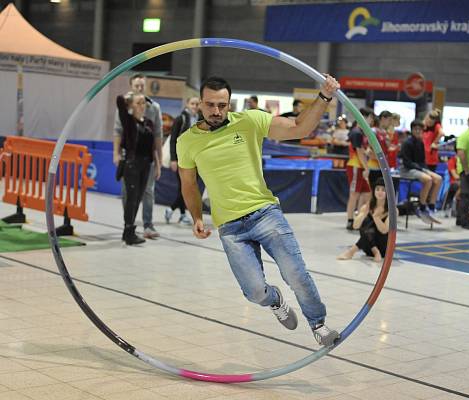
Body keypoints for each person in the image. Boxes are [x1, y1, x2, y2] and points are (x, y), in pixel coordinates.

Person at [177, 75, 341, 347]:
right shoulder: (187, 141)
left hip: (264, 213)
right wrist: (196, 217)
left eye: (222, 104)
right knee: (254, 292)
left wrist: (324, 96)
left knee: (296, 273)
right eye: (210, 105)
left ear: (230, 103)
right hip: (230, 228)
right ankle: (274, 300)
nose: (216, 111)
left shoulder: (250, 121)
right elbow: (188, 183)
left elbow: (300, 128)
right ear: (200, 105)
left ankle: (319, 325)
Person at [113, 73, 163, 239]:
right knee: (129, 193)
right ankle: (129, 225)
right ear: (131, 87)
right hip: (132, 161)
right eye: (137, 86)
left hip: (146, 161)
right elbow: (118, 131)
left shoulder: (152, 110)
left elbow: (157, 137)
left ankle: (145, 225)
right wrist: (116, 153)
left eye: (142, 85)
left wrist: (158, 161)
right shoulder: (127, 116)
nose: (140, 88)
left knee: (146, 192)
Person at [337, 178, 394, 262]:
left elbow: (384, 230)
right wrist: (363, 214)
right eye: (377, 189)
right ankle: (375, 251)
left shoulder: (392, 210)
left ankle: (351, 252)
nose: (380, 192)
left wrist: (376, 217)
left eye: (383, 190)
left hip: (384, 248)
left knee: (370, 229)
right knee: (366, 222)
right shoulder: (367, 207)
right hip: (368, 248)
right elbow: (355, 226)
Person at [399, 119, 442, 224]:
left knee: (438, 178)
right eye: (415, 129)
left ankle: (431, 206)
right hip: (406, 169)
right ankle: (422, 206)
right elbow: (407, 162)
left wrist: (426, 170)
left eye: (420, 129)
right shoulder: (407, 143)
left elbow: (422, 161)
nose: (418, 131)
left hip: (418, 168)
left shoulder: (421, 143)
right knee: (428, 179)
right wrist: (423, 170)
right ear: (412, 130)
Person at [166, 96, 200, 225]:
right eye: (192, 103)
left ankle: (177, 212)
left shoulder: (200, 120)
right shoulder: (181, 119)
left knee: (190, 187)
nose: (195, 106)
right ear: (187, 104)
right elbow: (173, 139)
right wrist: (173, 158)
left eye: (197, 104)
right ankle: (179, 212)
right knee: (185, 187)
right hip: (181, 158)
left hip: (195, 160)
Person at [345, 108, 373, 230]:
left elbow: (362, 150)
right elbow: (359, 152)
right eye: (370, 118)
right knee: (354, 194)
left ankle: (360, 218)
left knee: (367, 194)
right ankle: (350, 221)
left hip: (361, 166)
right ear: (363, 117)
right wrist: (367, 167)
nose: (371, 120)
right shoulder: (356, 132)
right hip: (356, 167)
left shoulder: (361, 132)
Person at [366, 111, 392, 189]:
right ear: (383, 118)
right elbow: (369, 149)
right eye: (389, 120)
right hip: (373, 166)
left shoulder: (385, 132)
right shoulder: (373, 131)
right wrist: (381, 160)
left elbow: (387, 148)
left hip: (382, 166)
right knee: (373, 191)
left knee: (382, 191)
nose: (390, 123)